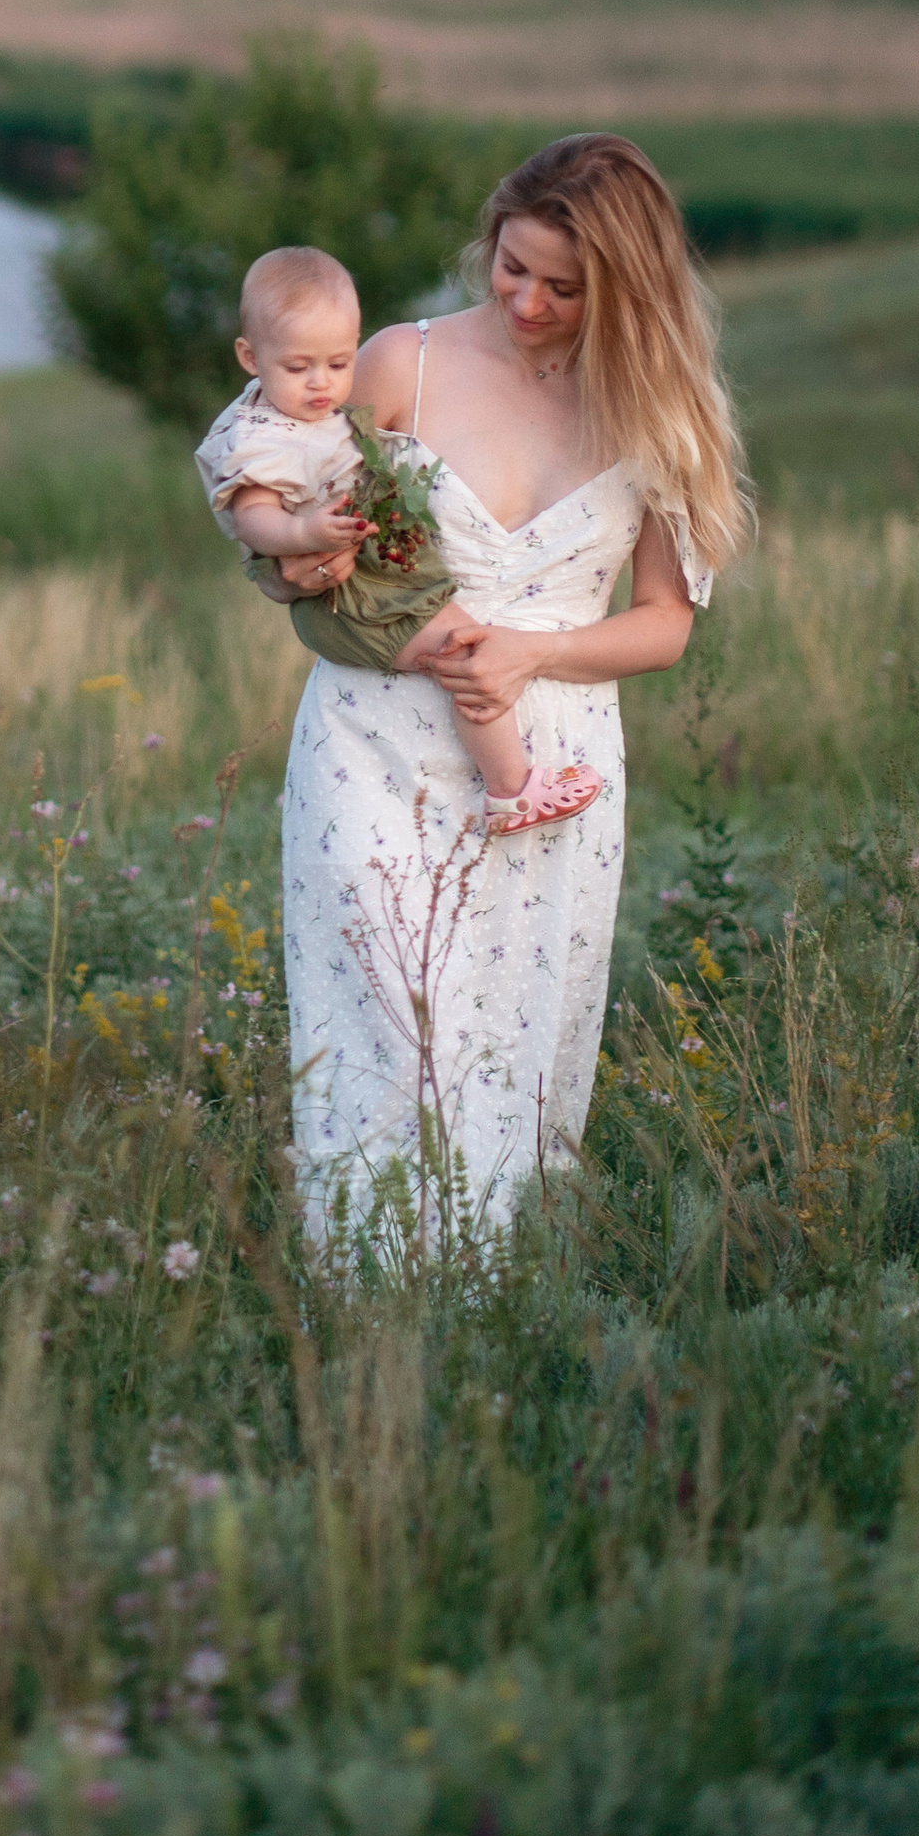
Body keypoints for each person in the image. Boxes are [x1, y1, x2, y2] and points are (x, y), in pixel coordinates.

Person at [266, 132, 750, 1244]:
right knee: (385, 1019)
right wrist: (297, 559)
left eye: (564, 287)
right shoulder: (399, 363)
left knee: (509, 1037)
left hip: (553, 758)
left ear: (626, 290)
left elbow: (664, 627)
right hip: (373, 742)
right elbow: (288, 526)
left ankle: (483, 1304)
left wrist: (533, 654)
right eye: (511, 266)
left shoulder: (658, 414)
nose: (526, 300)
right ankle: (362, 1288)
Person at [193, 243, 606, 835]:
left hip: (381, 581)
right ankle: (513, 790)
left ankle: (510, 783)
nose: (321, 384)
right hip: (356, 596)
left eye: (338, 365)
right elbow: (252, 517)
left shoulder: (325, 411)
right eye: (298, 368)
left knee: (463, 651)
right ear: (249, 356)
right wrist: (302, 534)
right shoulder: (260, 437)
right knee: (465, 657)